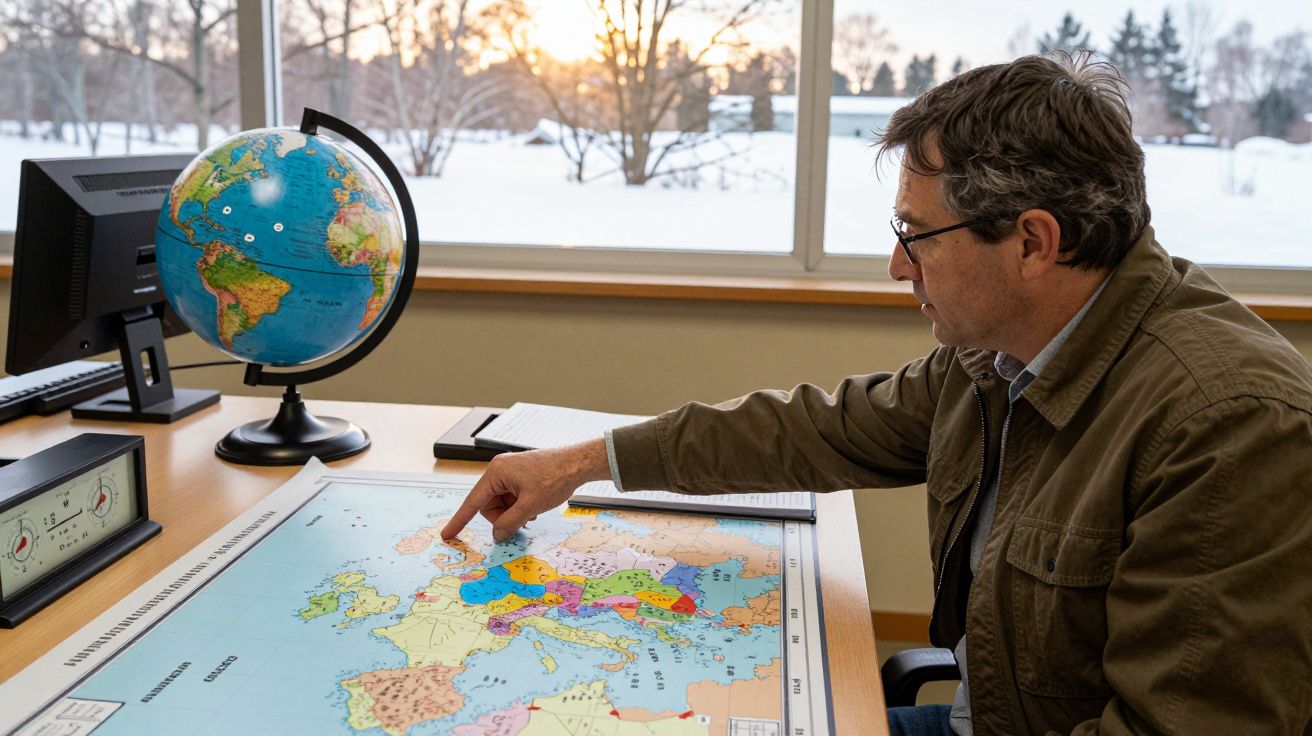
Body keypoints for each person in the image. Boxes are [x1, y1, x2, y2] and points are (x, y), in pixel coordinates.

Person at [441, 52, 1312, 735]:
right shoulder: (999, 358)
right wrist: (584, 462)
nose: (899, 265)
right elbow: (812, 431)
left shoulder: (1231, 428)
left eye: (917, 235)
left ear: (1034, 242)